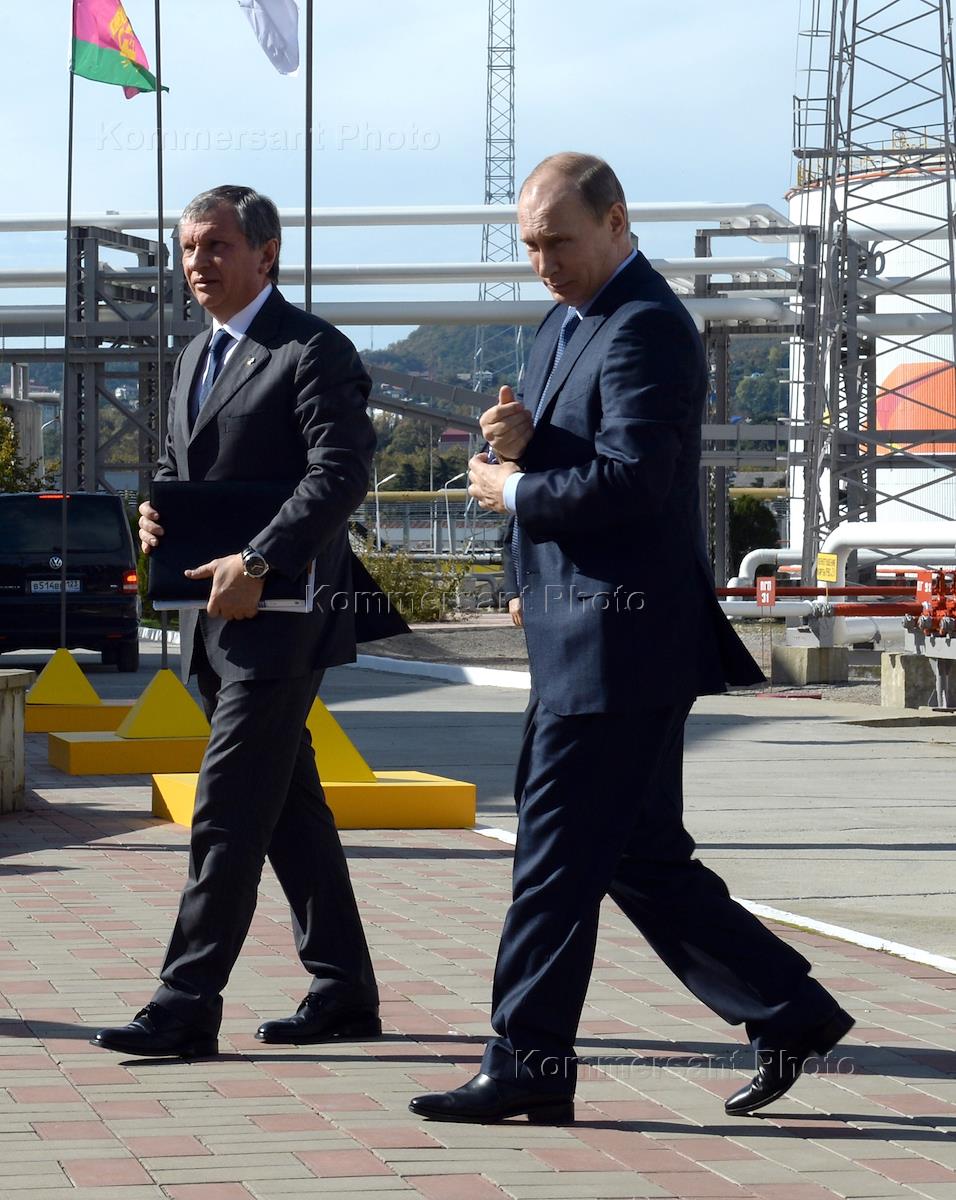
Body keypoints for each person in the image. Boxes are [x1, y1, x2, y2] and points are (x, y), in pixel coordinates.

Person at [409, 153, 853, 1125]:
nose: (543, 264)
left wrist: (514, 489)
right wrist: (522, 465)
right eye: (530, 246)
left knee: (551, 857)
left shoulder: (646, 323)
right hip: (583, 634)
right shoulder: (564, 322)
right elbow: (578, 458)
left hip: (619, 645)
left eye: (558, 242)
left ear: (616, 220)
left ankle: (527, 1062)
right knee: (639, 855)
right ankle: (790, 1011)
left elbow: (636, 481)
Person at [92, 185, 381, 1058]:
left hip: (280, 619)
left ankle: (186, 1005)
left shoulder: (312, 350)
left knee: (224, 811)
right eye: (188, 248)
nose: (196, 263)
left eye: (215, 246)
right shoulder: (194, 355)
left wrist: (259, 560)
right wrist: (158, 514)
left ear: (267, 253)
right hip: (209, 623)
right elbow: (180, 466)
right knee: (289, 810)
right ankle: (344, 991)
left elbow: (340, 473)